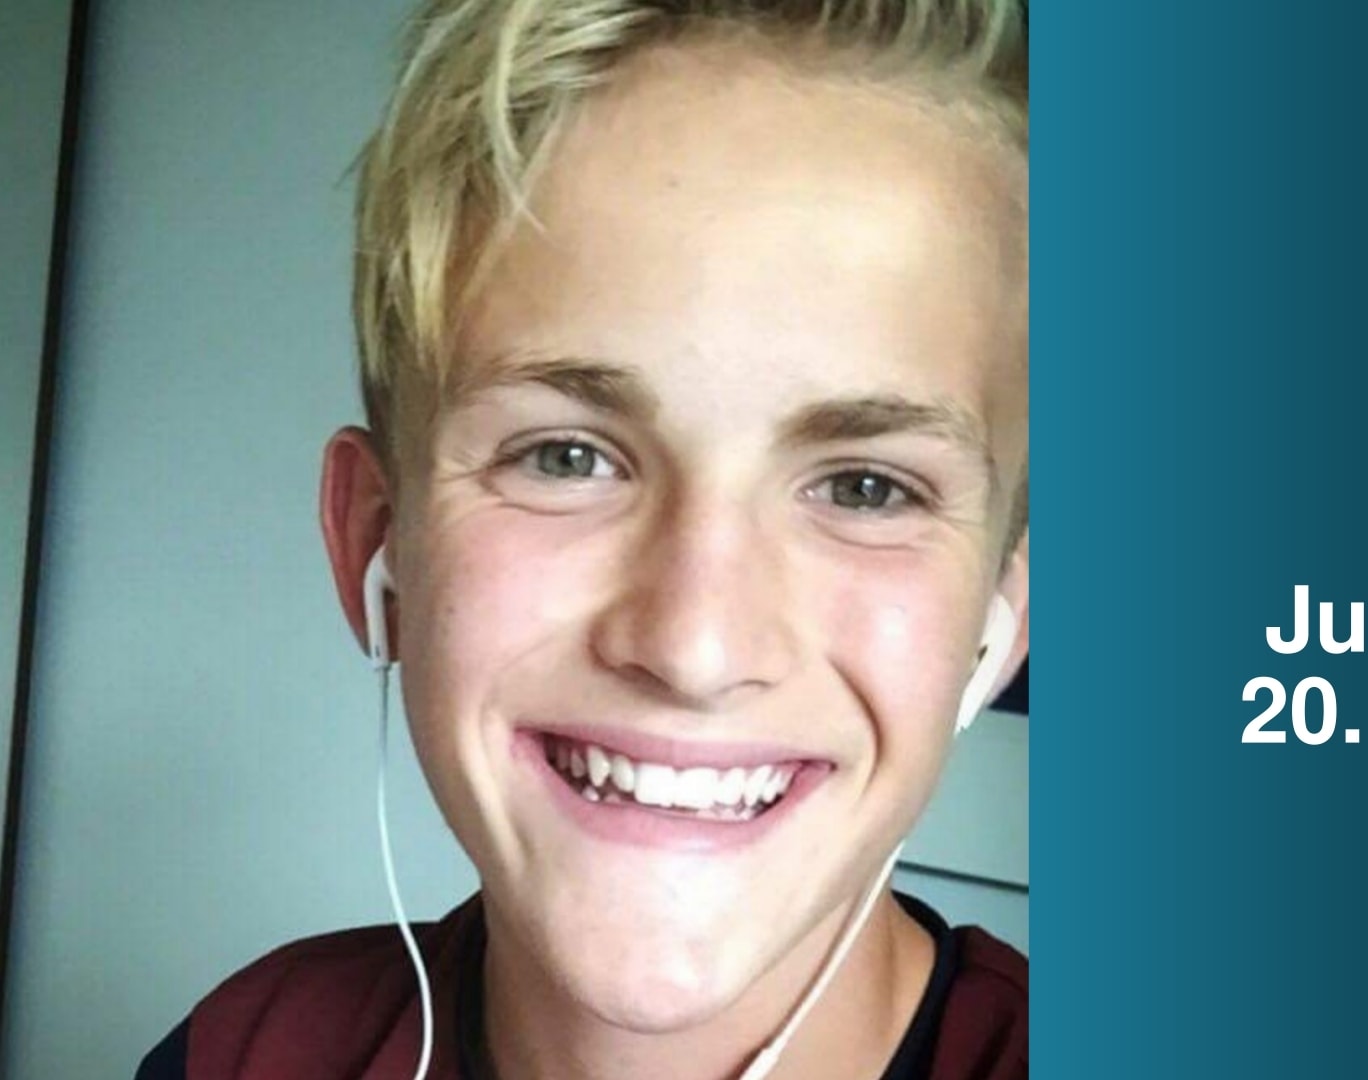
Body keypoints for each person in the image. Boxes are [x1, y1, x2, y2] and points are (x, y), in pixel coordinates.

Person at [135, 0, 1029, 1076]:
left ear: (999, 620)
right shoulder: (243, 1052)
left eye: (865, 488)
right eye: (566, 458)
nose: (695, 648)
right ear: (378, 545)